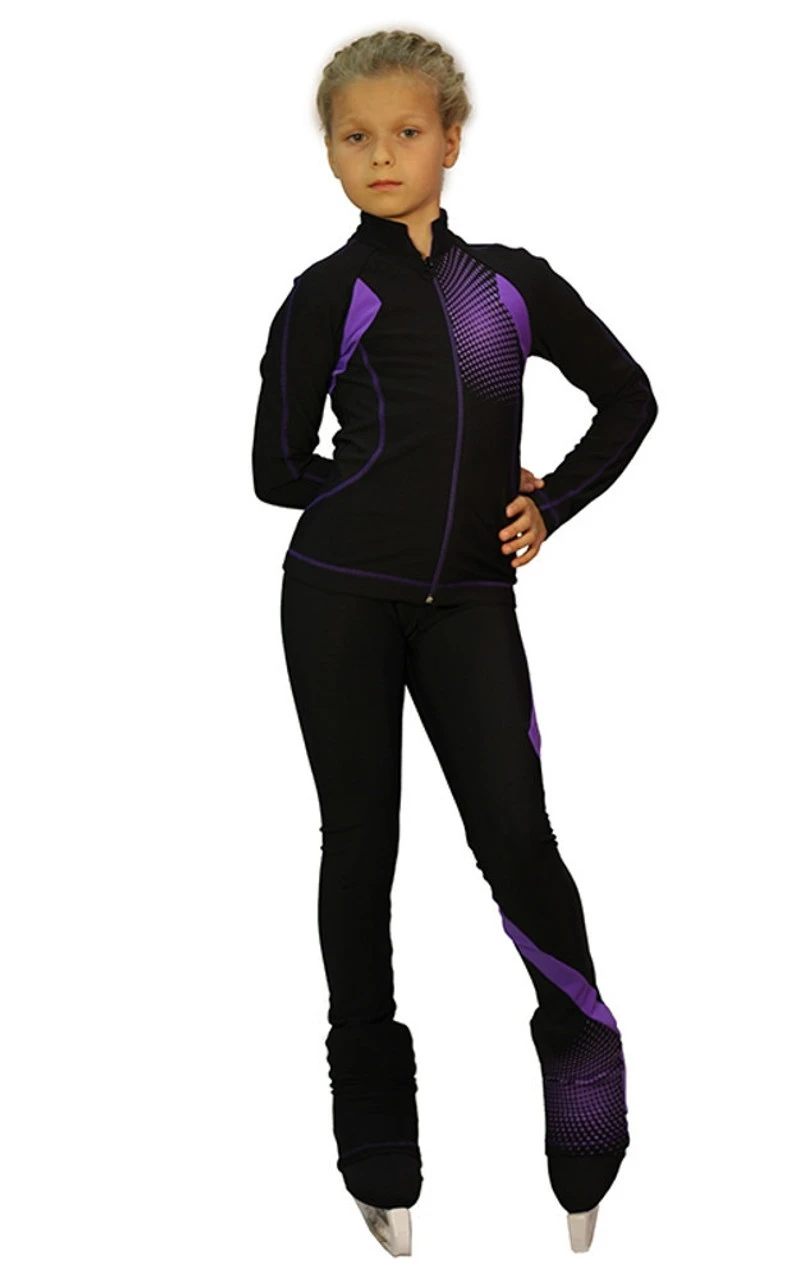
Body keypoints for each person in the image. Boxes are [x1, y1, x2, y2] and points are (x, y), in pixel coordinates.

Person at [252, 28, 657, 1256]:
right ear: (330, 153)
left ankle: (584, 1097)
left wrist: (548, 503)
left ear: (450, 140)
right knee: (359, 850)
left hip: (473, 603)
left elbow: (628, 397)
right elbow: (274, 468)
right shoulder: (328, 293)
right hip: (337, 599)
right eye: (354, 136)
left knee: (518, 844)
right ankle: (374, 1128)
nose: (381, 154)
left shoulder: (507, 289)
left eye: (405, 131)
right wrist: (375, 493)